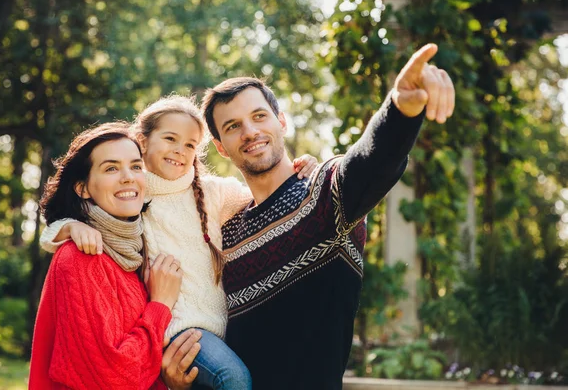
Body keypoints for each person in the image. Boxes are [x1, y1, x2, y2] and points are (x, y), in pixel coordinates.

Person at [163, 43, 455, 390]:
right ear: (222, 148)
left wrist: (401, 107)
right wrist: (180, 379)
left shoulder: (324, 195)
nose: (250, 132)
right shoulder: (222, 229)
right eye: (233, 126)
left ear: (281, 121)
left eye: (259, 116)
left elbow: (371, 162)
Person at [40, 96, 318, 390]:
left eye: (190, 144)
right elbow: (81, 216)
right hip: (177, 329)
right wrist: (69, 227)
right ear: (142, 142)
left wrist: (302, 168)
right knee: (233, 379)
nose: (180, 150)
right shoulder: (133, 195)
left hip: (222, 325)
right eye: (170, 138)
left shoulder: (212, 192)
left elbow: (266, 191)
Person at [29, 122, 182, 389]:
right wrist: (161, 305)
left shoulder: (134, 253)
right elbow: (113, 378)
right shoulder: (80, 256)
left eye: (136, 166)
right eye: (111, 168)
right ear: (83, 188)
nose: (128, 177)